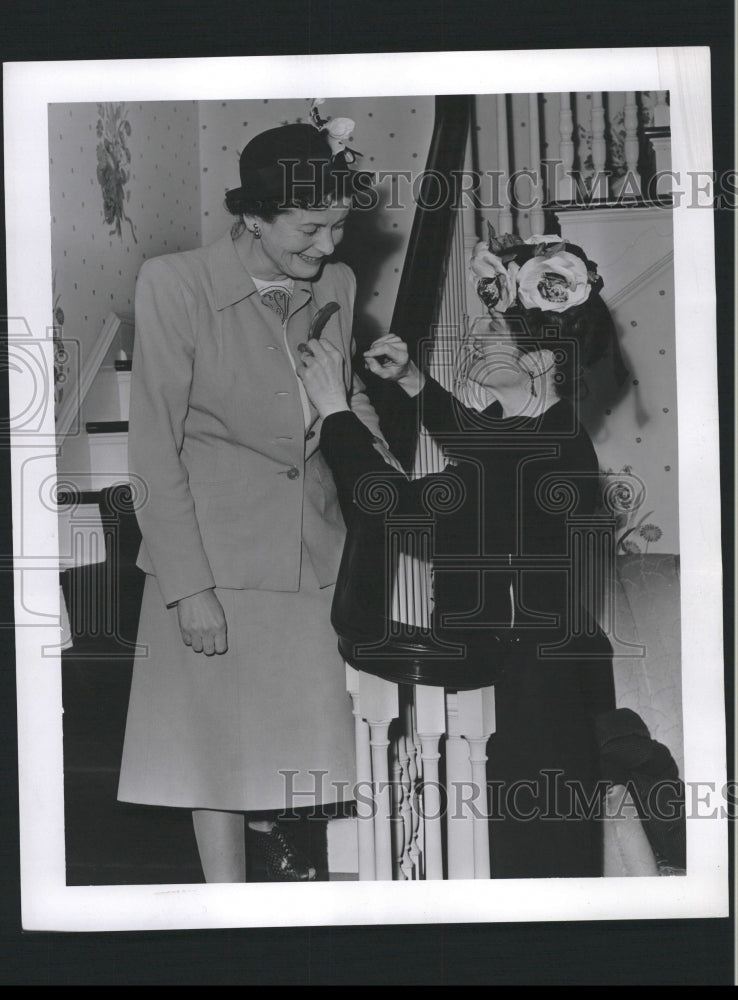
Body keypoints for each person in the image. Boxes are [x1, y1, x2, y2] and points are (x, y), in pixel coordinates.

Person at [298, 233, 620, 878]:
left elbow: (389, 506)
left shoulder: (529, 448)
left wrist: (335, 410)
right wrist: (417, 385)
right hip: (545, 677)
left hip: (528, 697)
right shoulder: (550, 429)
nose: (478, 340)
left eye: (496, 332)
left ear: (541, 358)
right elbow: (484, 452)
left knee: (527, 876)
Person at [117, 117, 389, 882]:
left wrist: (383, 463)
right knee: (217, 756)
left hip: (316, 549)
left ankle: (303, 889)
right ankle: (228, 908)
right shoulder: (175, 284)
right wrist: (189, 585)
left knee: (317, 743)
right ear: (254, 216)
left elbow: (340, 390)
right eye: (310, 228)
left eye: (339, 226)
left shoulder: (332, 281)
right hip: (215, 555)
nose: (330, 247)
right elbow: (152, 452)